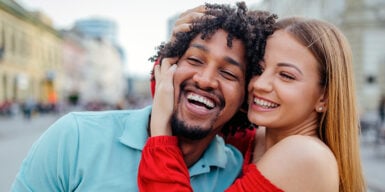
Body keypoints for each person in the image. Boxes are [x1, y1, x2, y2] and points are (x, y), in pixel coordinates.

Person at [11, 3, 276, 192]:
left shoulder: (237, 171)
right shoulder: (74, 137)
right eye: (194, 59)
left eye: (229, 73)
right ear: (164, 67)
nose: (205, 80)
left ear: (245, 96)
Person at [138, 16, 367, 191]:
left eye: (286, 76)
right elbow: (193, 107)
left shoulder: (305, 155)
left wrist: (160, 135)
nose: (260, 84)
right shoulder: (258, 139)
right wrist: (179, 44)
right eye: (258, 69)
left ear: (324, 97)